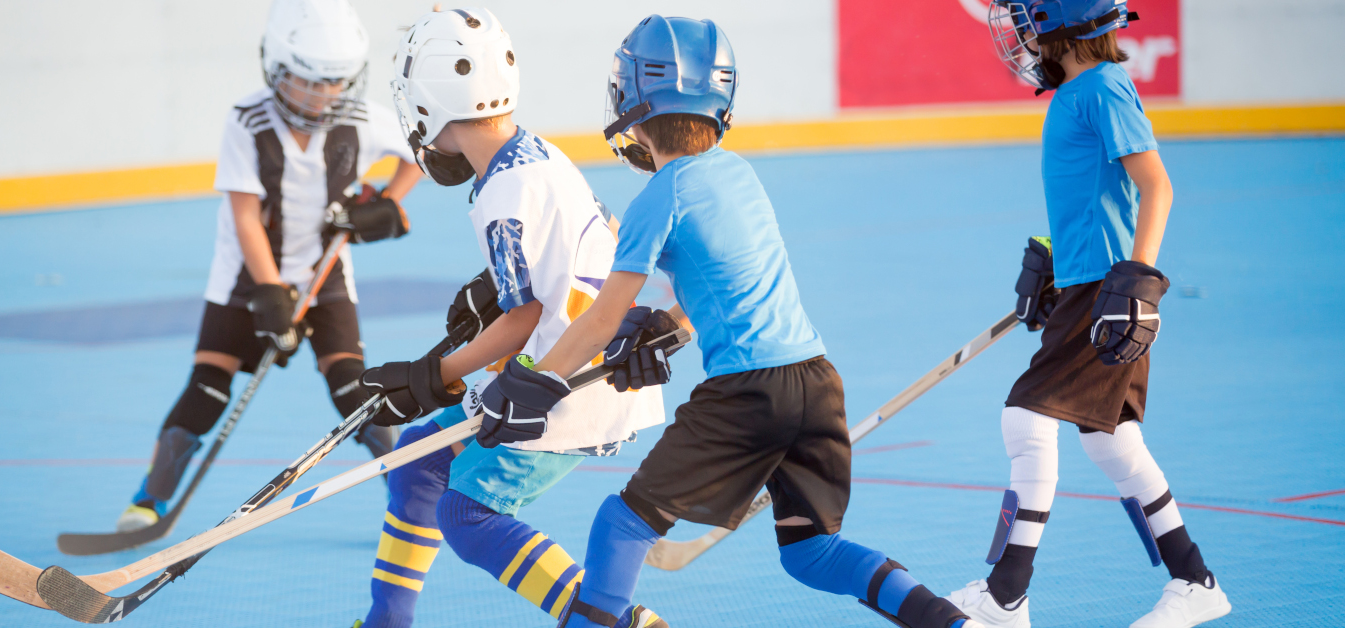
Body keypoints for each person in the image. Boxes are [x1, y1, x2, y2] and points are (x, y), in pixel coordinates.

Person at [480, 15, 983, 628]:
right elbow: (724, 282)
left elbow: (598, 320)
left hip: (749, 393)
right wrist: (669, 324)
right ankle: (955, 623)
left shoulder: (657, 197)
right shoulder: (740, 173)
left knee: (619, 524)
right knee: (813, 553)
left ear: (631, 110)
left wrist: (534, 382)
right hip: (817, 380)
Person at [350, 9, 670, 628]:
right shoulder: (539, 153)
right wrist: (498, 292)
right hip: (581, 363)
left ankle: (618, 622)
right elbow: (596, 242)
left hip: (564, 385)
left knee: (468, 515)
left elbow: (526, 317)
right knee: (418, 460)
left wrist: (432, 373)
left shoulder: (500, 194)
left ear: (426, 103)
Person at [942, 2, 1231, 627]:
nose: (1021, 36)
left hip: (1108, 288)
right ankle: (1194, 578)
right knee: (1111, 438)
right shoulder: (1080, 92)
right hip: (1089, 280)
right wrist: (1052, 260)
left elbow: (1156, 185)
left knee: (1025, 418)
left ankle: (1005, 596)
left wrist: (1135, 283)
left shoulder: (1101, 88)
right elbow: (1098, 197)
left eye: (1029, 21)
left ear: (1061, 28)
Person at [117, 0, 421, 532]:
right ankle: (149, 501)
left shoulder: (359, 118)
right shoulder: (247, 120)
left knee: (353, 388)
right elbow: (244, 217)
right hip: (245, 279)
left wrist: (387, 203)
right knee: (208, 385)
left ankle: (407, 502)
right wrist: (272, 293)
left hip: (325, 276)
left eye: (334, 82)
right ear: (276, 69)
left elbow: (422, 149)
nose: (321, 95)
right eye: (306, 81)